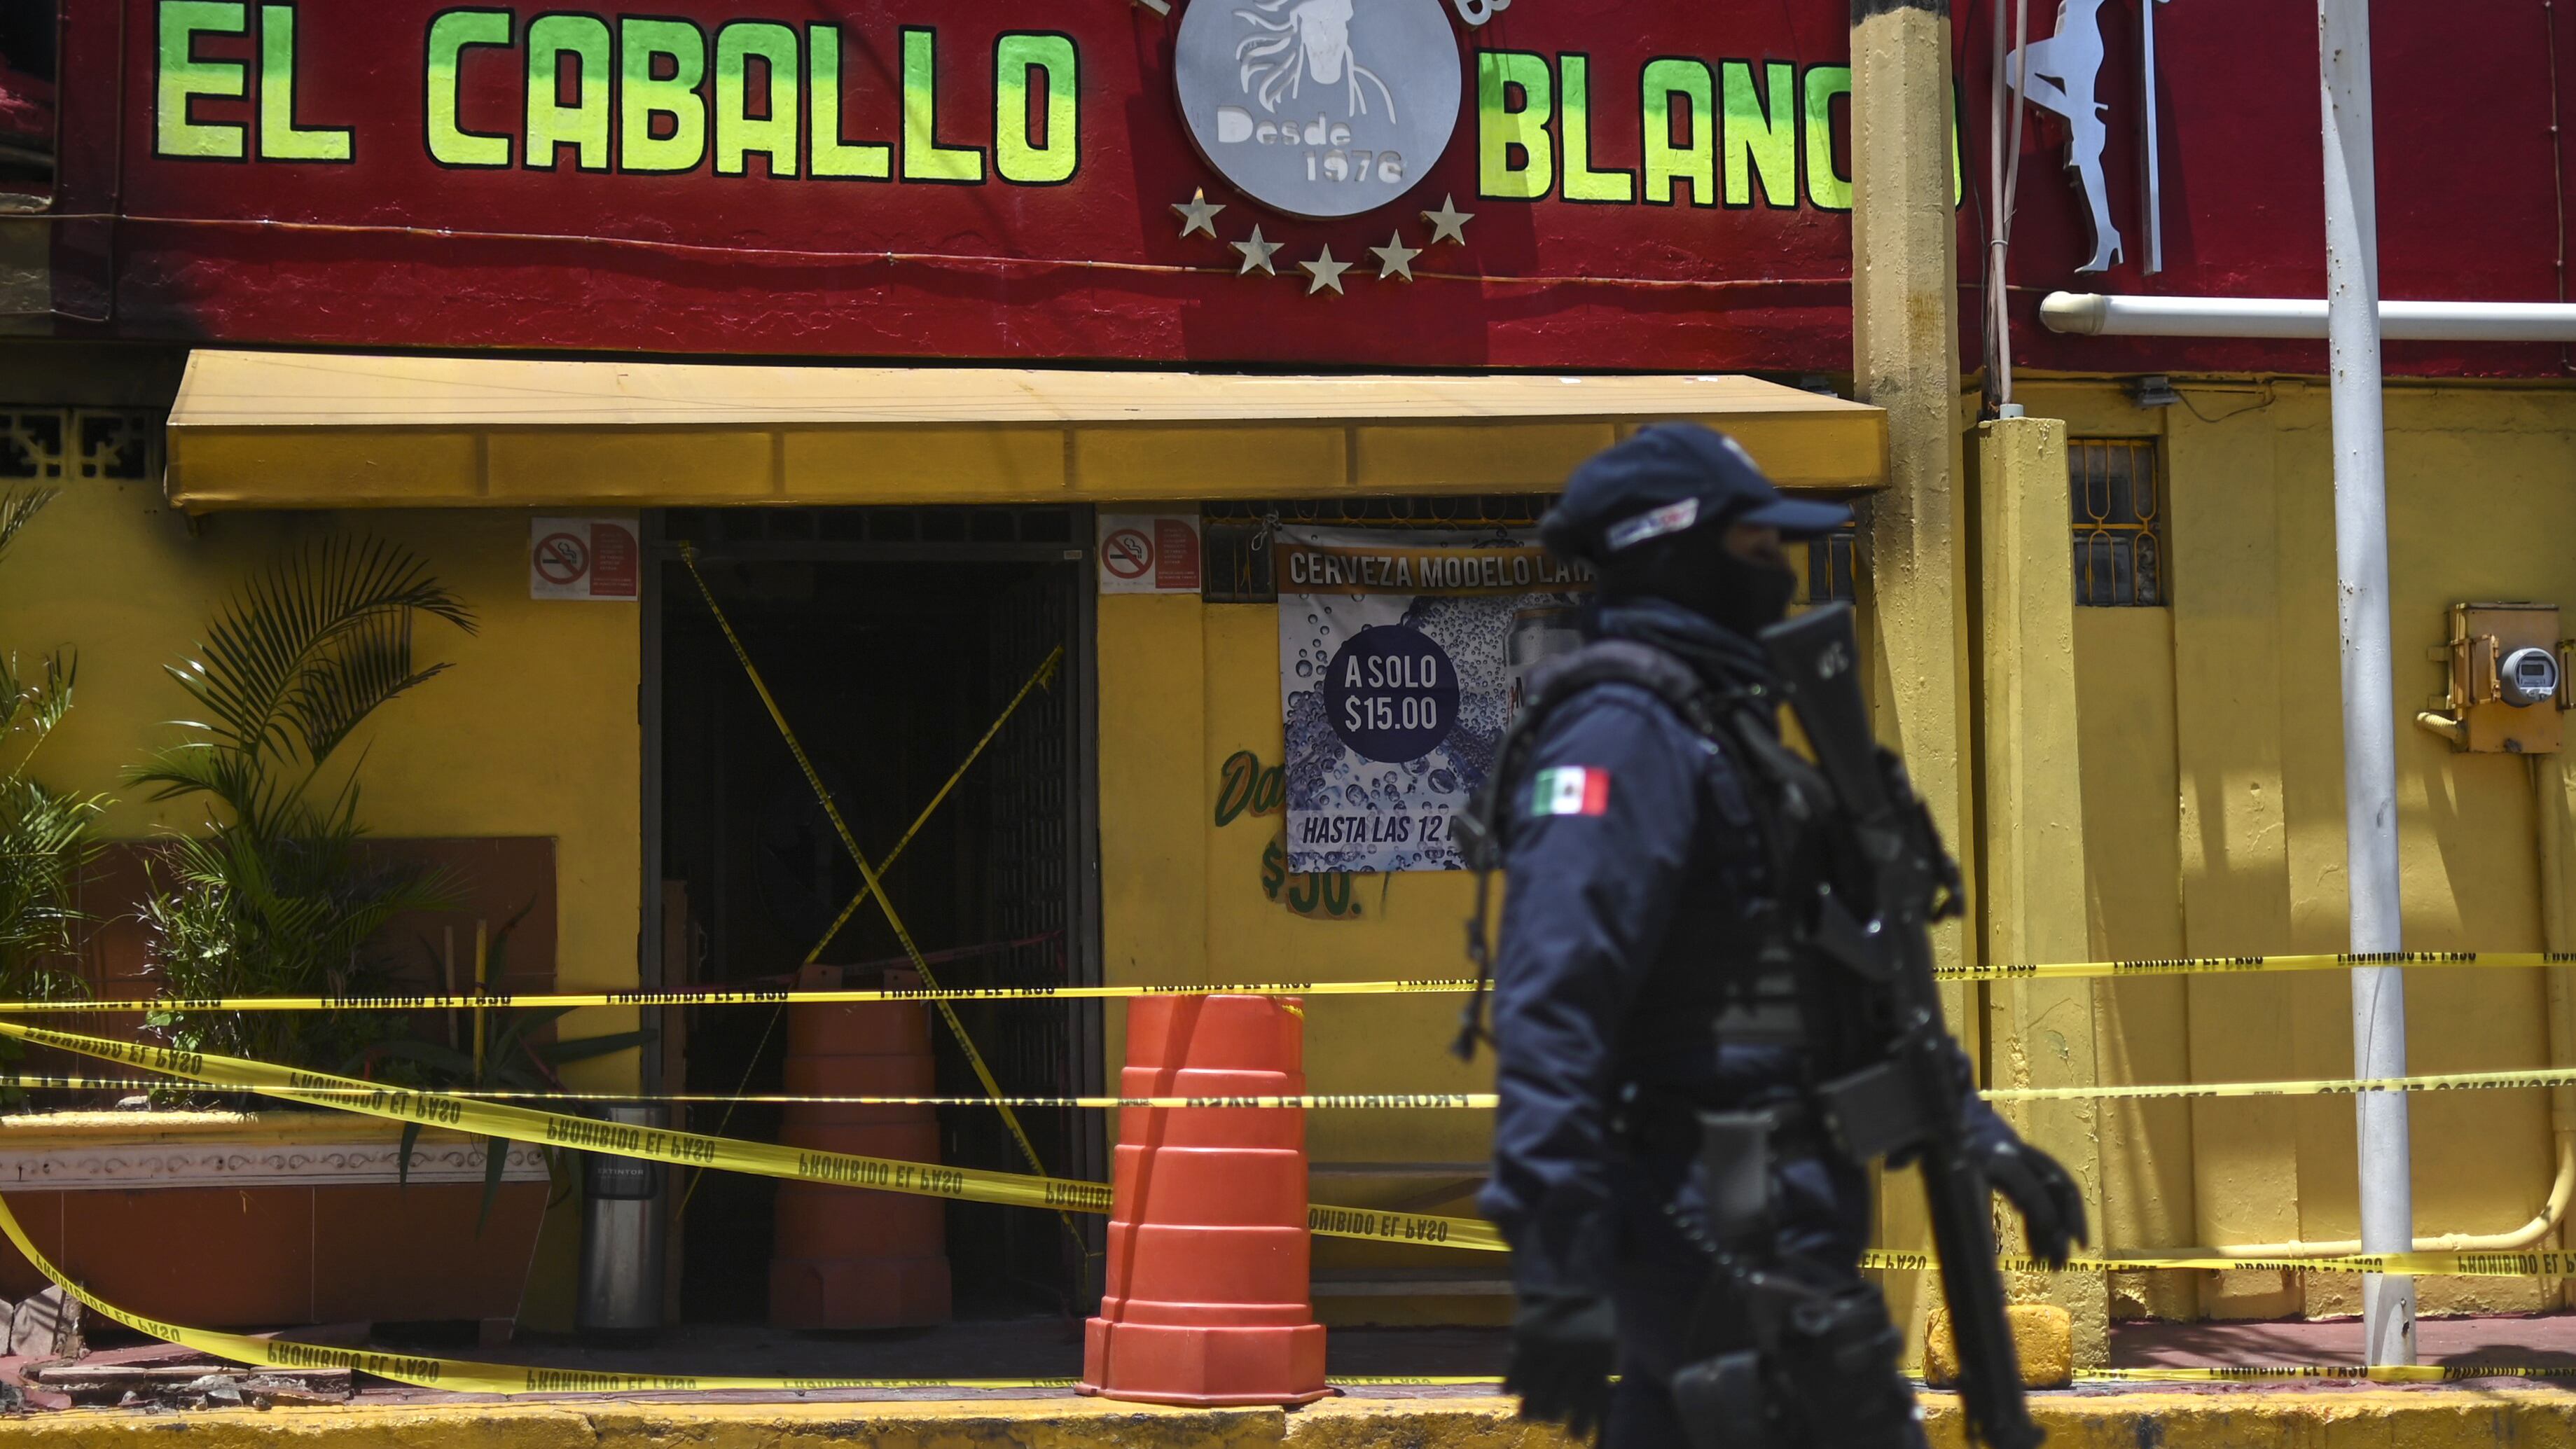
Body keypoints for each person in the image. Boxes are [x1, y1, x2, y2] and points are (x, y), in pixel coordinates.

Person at [1471, 424, 2087, 1447]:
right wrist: (1555, 1275)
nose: (1783, 569)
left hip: (1758, 1211)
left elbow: (1840, 980)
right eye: (1758, 547)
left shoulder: (1732, 731)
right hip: (1713, 1217)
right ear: (1675, 549)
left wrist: (1976, 1136)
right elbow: (1551, 999)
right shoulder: (1627, 726)